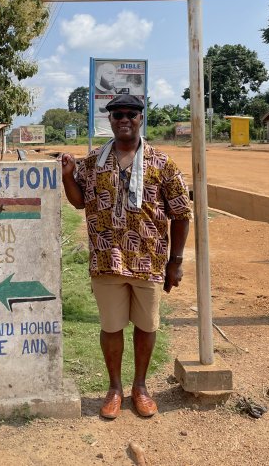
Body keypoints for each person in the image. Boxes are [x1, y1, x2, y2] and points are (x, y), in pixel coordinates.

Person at [60, 93, 191, 420]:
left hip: (149, 261)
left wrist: (175, 262)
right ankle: (115, 388)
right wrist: (66, 176)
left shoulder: (162, 163)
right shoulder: (93, 162)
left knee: (147, 326)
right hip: (107, 260)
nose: (124, 119)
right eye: (117, 113)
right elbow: (79, 202)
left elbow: (181, 213)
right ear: (110, 119)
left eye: (130, 114)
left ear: (140, 118)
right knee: (112, 327)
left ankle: (141, 387)